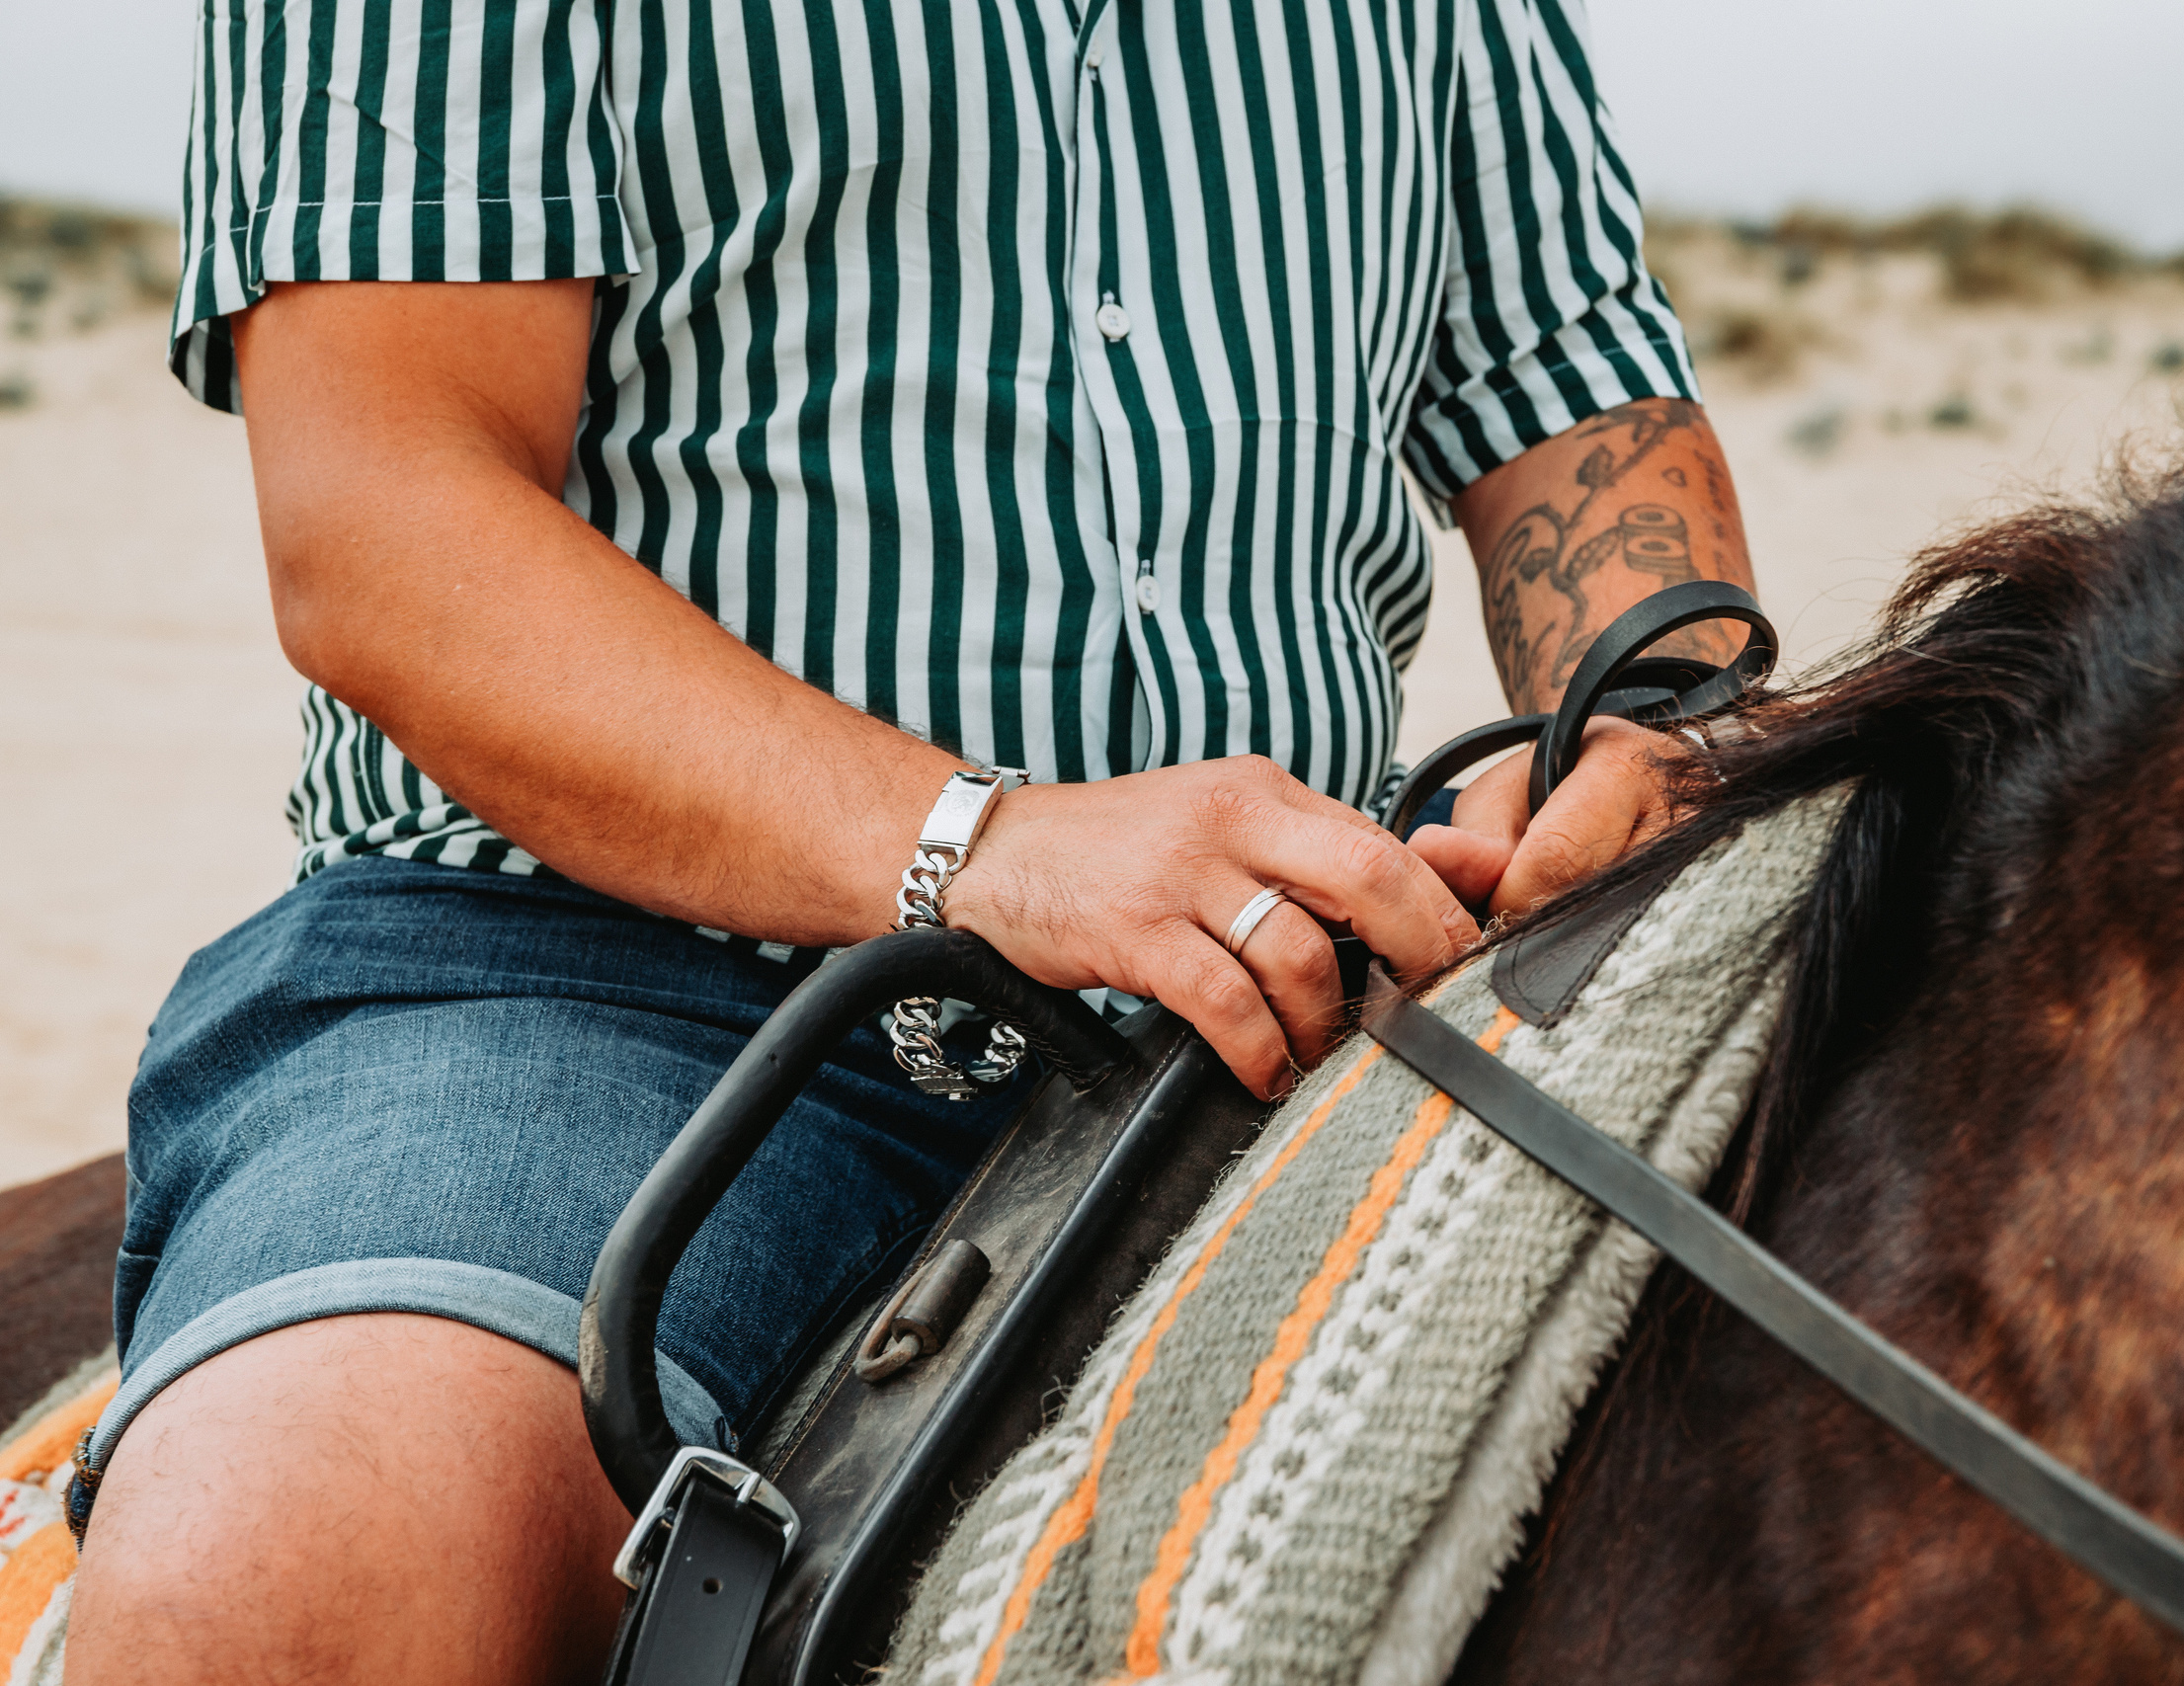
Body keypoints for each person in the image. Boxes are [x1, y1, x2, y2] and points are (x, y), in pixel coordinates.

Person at [64, 0, 1757, 1678]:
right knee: (293, 1580)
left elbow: (1579, 402)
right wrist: (992, 846)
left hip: (1303, 978)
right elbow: (386, 521)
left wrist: (1653, 726)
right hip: (585, 985)